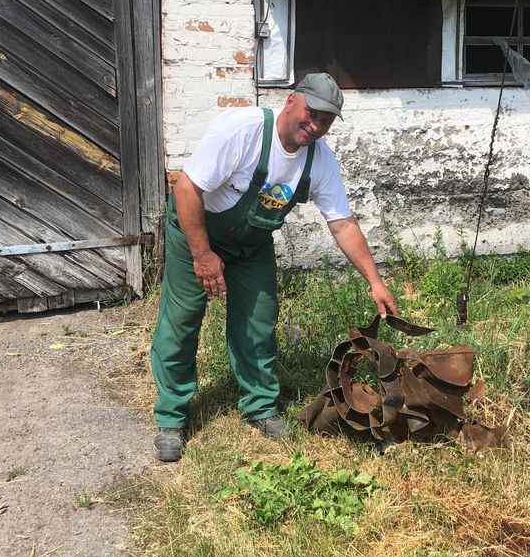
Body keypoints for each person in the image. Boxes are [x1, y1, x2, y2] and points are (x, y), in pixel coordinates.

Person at [150, 73, 398, 462]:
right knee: (183, 319)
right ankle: (171, 416)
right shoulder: (242, 131)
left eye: (326, 121)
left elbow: (343, 223)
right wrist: (202, 255)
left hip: (250, 243)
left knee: (259, 321)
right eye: (311, 114)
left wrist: (375, 281)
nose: (315, 126)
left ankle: (260, 406)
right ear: (290, 102)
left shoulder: (320, 161)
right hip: (195, 228)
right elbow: (186, 188)